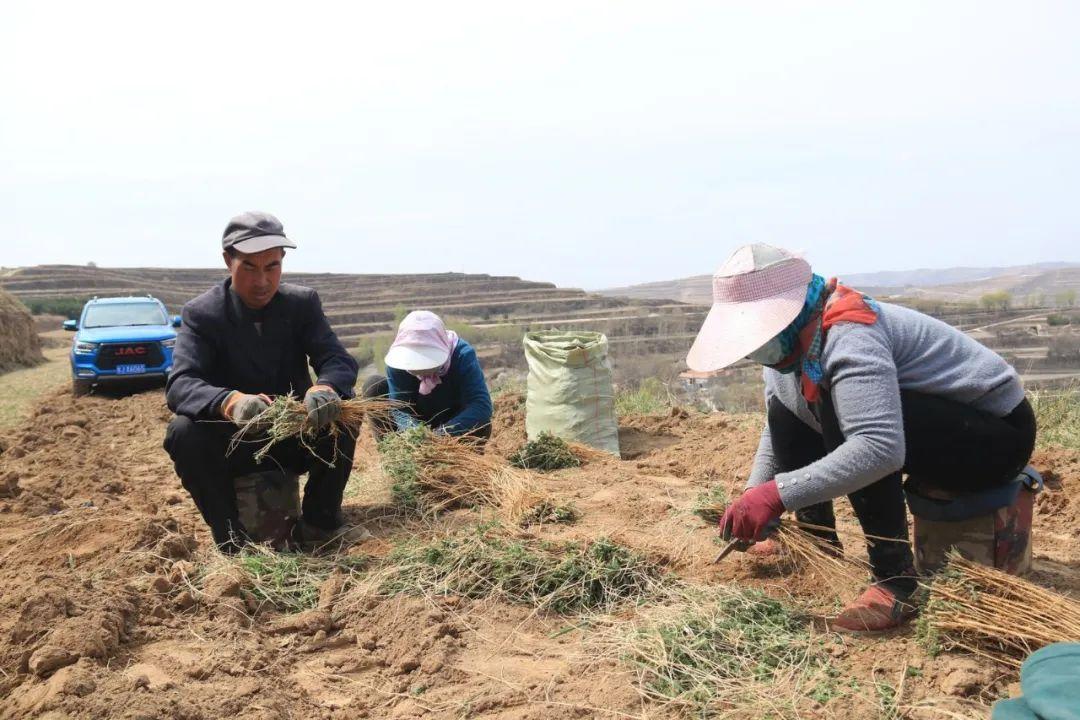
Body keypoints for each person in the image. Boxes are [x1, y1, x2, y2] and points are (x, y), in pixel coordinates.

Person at [687, 244, 1036, 632]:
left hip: (994, 438)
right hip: (935, 427)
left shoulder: (850, 332)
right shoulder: (792, 345)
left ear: (789, 312)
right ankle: (816, 542)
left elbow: (878, 449)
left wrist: (777, 494)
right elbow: (783, 420)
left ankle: (896, 584)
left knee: (847, 417)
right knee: (794, 406)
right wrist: (755, 493)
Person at [163, 211, 359, 553]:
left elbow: (337, 359)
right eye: (249, 267)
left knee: (346, 413)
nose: (262, 281)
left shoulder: (302, 304)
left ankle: (320, 522)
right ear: (228, 261)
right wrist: (230, 402)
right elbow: (182, 382)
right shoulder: (203, 314)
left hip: (294, 438)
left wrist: (325, 388)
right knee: (183, 432)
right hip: (235, 445)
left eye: (272, 267)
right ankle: (232, 542)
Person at [362, 310, 493, 441]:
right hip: (417, 419)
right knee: (373, 386)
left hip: (454, 421)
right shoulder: (398, 363)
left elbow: (481, 405)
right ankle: (393, 454)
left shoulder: (462, 355)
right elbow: (399, 407)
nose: (421, 371)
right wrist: (416, 434)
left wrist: (442, 433)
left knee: (480, 420)